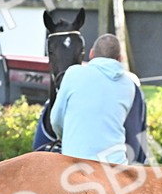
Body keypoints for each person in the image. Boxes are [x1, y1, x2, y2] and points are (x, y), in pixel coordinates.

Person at [49, 33, 146, 165]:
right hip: (115, 167)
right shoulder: (129, 85)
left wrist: (65, 140)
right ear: (120, 58)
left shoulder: (73, 74)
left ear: (91, 54)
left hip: (74, 163)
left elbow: (56, 120)